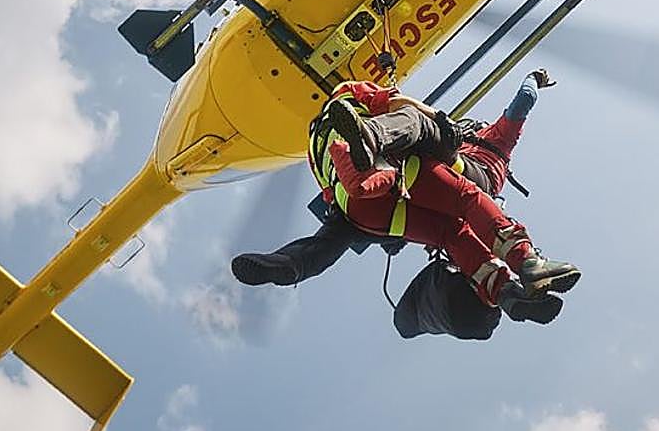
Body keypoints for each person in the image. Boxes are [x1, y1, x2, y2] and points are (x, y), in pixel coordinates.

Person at [232, 71, 577, 329]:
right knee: (456, 224)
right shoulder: (499, 148)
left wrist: (532, 79)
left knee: (335, 234)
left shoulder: (493, 141)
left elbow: (519, 106)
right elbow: (519, 109)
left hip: (373, 201)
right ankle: (512, 288)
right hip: (405, 195)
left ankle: (289, 265)